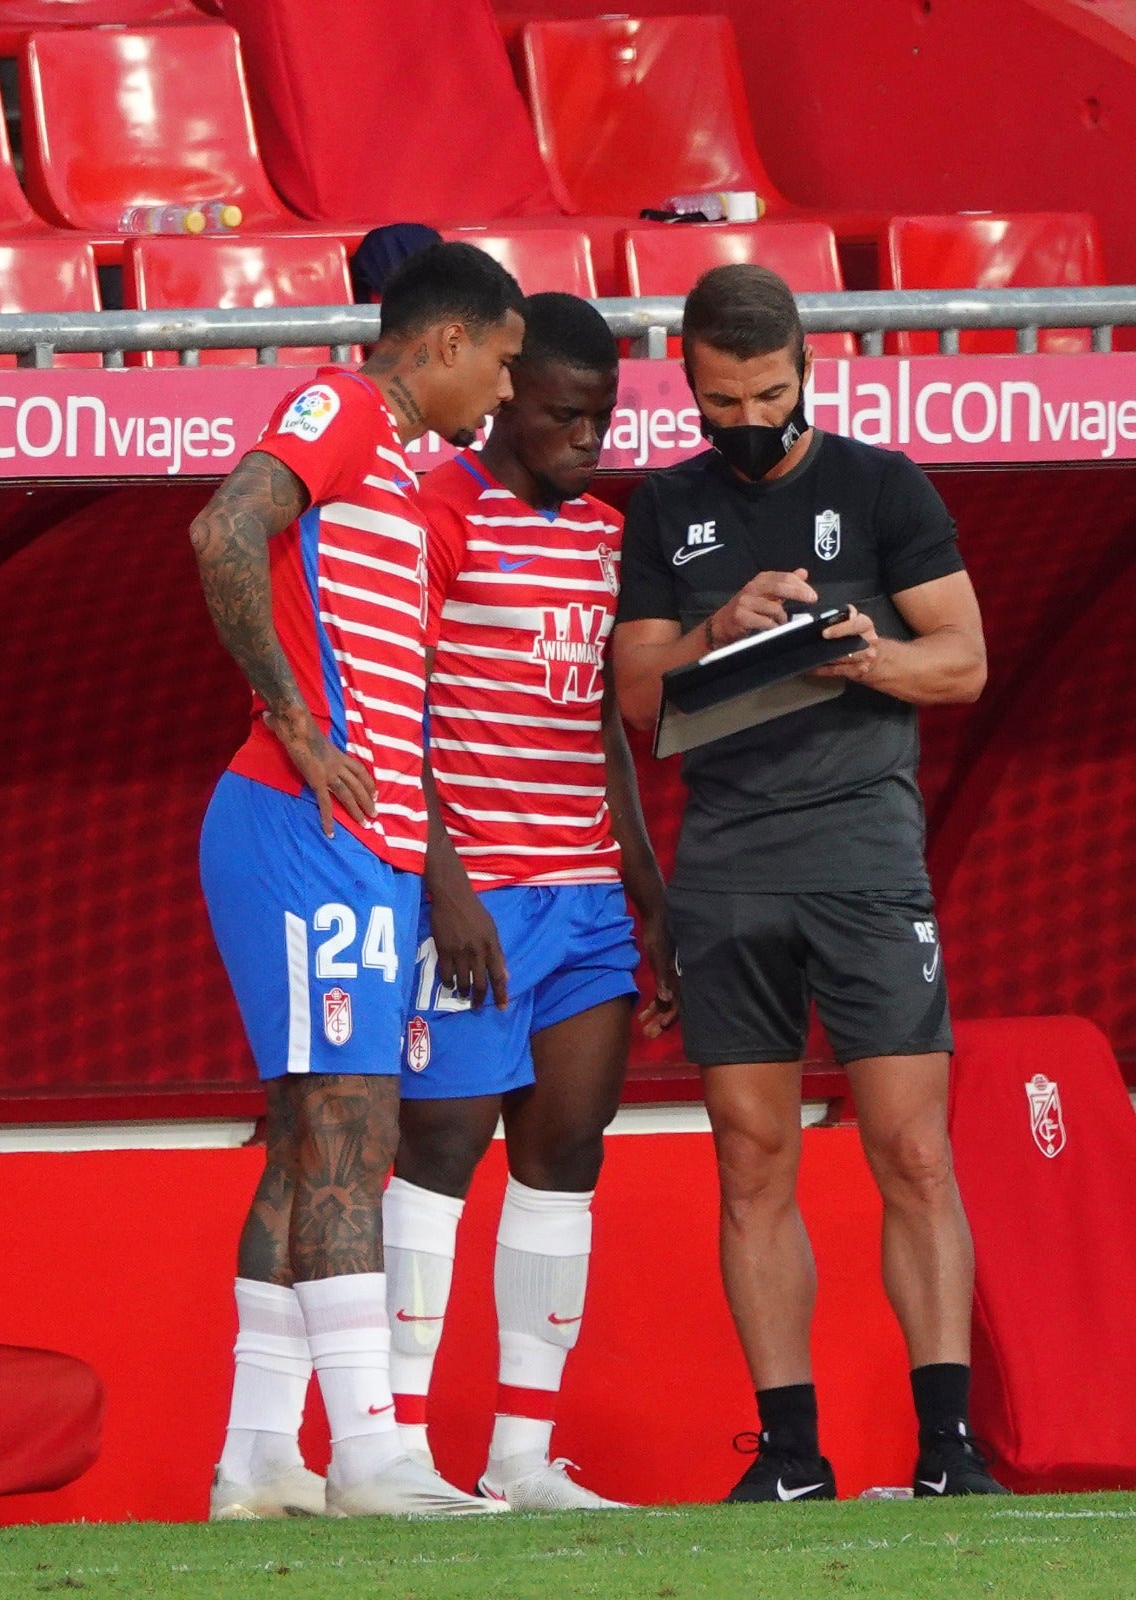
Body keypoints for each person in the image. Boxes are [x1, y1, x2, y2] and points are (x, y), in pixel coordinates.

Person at [612, 264, 1005, 1501]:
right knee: (748, 1154)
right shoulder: (663, 508)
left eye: (768, 394)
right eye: (721, 401)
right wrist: (719, 625)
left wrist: (865, 654)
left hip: (865, 859)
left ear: (806, 373)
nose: (746, 422)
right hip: (728, 866)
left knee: (912, 1150)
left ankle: (948, 1446)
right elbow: (633, 696)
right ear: (687, 380)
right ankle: (789, 1455)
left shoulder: (881, 484)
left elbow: (965, 664)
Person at [191, 241, 525, 1520]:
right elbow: (223, 525)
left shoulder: (408, 469)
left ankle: (262, 1448)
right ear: (444, 343)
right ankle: (374, 1446)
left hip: (359, 844)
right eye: (496, 364)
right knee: (350, 1125)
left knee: (309, 1138)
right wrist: (293, 719)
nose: (497, 396)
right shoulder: (337, 408)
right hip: (302, 825)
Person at [380, 292, 677, 1511]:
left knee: (565, 1151)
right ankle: (394, 1444)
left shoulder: (609, 537)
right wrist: (443, 884)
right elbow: (395, 712)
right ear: (509, 396)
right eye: (564, 413)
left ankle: (520, 1452)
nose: (587, 437)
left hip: (585, 894)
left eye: (603, 417)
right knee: (443, 1144)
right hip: (472, 891)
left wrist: (649, 894)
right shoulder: (436, 511)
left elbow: (607, 726)